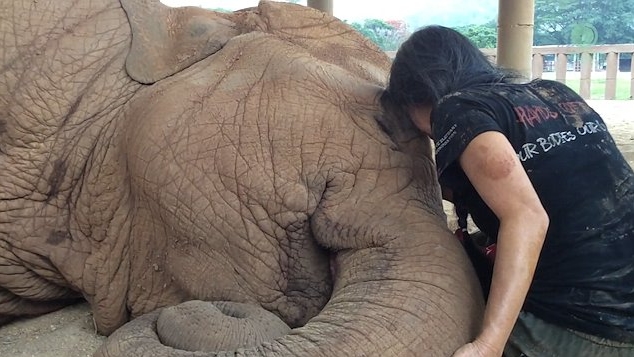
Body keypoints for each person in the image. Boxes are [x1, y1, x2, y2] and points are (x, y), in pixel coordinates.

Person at [381, 25, 634, 357]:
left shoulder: (455, 109)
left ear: (418, 92)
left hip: (592, 323)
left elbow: (528, 218)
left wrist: (488, 345)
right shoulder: (554, 92)